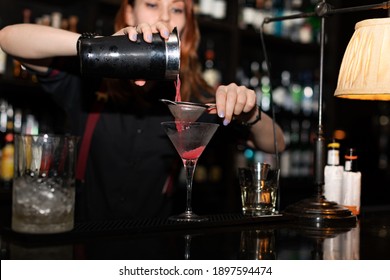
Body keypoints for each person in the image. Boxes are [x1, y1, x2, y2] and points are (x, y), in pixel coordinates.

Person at [0, 0, 285, 221]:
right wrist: (106, 49)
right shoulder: (89, 80)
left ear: (187, 27)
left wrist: (249, 112)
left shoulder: (196, 99)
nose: (164, 17)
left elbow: (275, 142)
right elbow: (9, 38)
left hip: (157, 247)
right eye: (151, 4)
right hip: (87, 245)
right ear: (129, 14)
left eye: (177, 9)